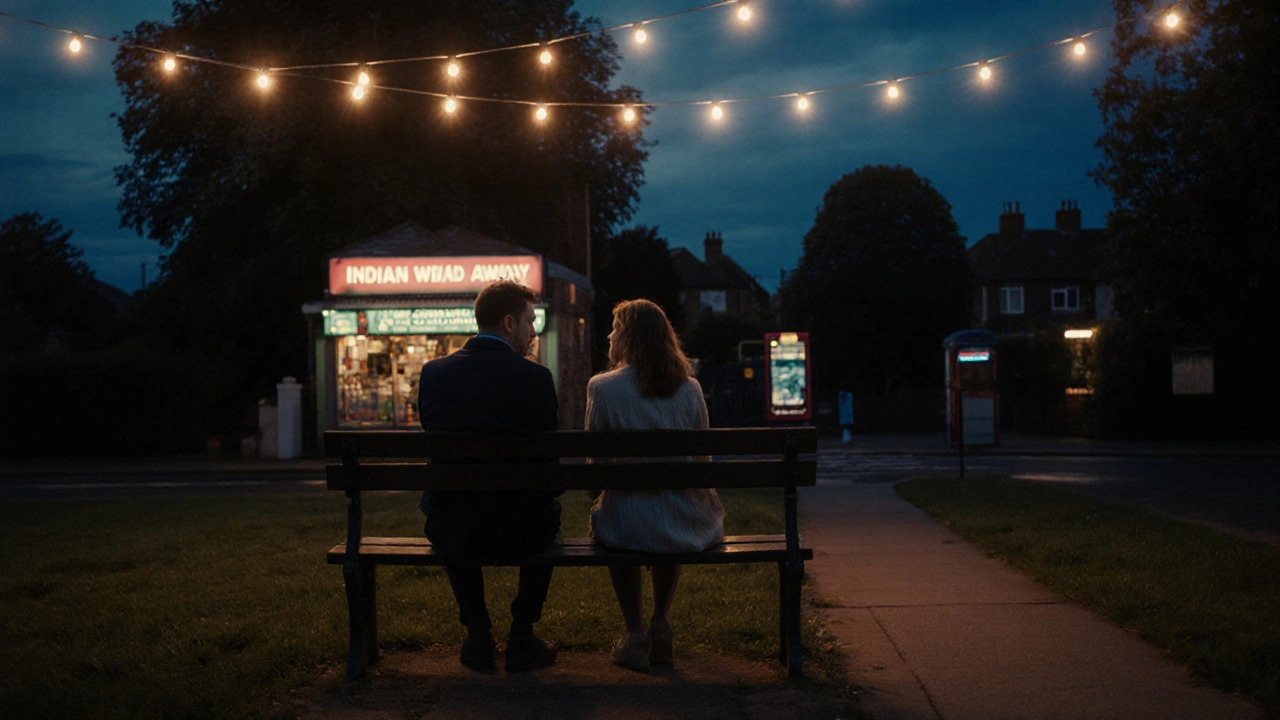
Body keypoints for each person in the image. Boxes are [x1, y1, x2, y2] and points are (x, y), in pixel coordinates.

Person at [417, 280, 561, 673]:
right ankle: (521, 635)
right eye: (531, 322)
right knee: (547, 515)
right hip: (524, 528)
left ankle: (478, 635)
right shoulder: (535, 378)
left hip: (454, 526)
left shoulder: (434, 375)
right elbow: (552, 467)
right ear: (509, 323)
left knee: (454, 509)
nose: (535, 332)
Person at [585, 298, 725, 672]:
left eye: (615, 328)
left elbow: (595, 470)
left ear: (628, 337)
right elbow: (703, 464)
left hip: (627, 525)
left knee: (616, 518)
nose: (609, 334)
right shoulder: (690, 389)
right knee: (669, 510)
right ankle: (660, 622)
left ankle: (634, 634)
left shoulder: (602, 388)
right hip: (687, 523)